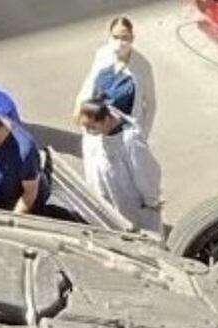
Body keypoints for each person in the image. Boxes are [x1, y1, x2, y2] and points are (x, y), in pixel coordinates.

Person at [75, 98, 163, 233]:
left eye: (92, 127)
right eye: (85, 127)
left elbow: (146, 174)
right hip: (104, 201)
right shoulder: (94, 135)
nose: (88, 131)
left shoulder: (130, 142)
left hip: (130, 208)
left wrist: (151, 201)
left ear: (106, 120)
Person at [74, 16, 157, 139]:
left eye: (124, 38)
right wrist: (79, 107)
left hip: (124, 133)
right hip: (98, 127)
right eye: (115, 37)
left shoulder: (142, 66)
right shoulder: (103, 55)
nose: (119, 43)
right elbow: (90, 83)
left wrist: (143, 135)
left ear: (132, 38)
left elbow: (150, 104)